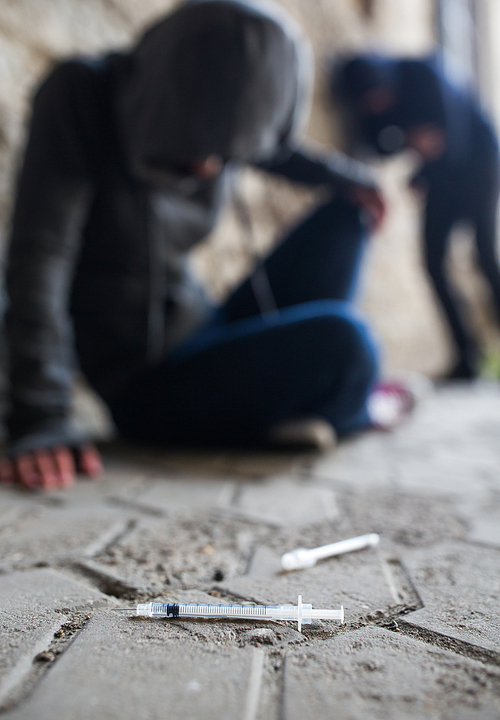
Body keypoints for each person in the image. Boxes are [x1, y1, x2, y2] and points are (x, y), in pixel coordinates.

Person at [0, 0, 392, 491]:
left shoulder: (229, 136)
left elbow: (275, 148)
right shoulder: (79, 95)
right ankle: (340, 403)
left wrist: (353, 180)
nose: (210, 168)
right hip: (148, 384)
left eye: (224, 156)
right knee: (348, 343)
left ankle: (317, 405)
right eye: (199, 151)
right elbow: (41, 257)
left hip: (206, 327)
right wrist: (38, 418)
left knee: (347, 213)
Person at [332, 54, 500, 380]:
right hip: (440, 179)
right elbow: (383, 146)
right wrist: (418, 149)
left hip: (481, 166)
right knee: (433, 261)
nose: (378, 105)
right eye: (370, 102)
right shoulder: (373, 102)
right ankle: (467, 355)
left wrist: (420, 156)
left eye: (380, 97)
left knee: (484, 255)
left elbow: (456, 139)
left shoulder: (424, 72)